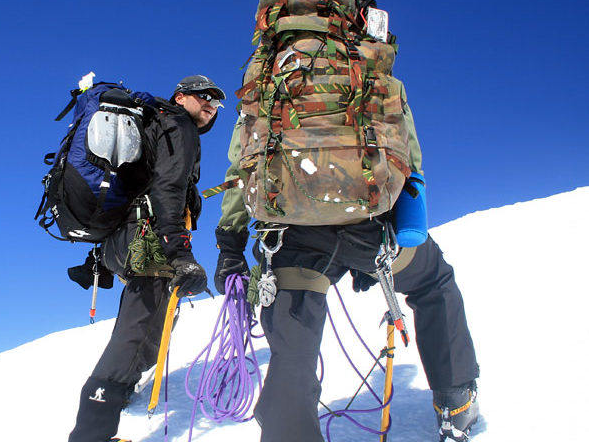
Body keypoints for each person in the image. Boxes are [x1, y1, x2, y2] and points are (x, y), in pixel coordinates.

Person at [213, 81, 481, 442]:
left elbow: (241, 168)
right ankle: (455, 402)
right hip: (371, 228)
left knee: (293, 348)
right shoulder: (374, 69)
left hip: (291, 235)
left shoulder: (263, 83)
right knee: (434, 281)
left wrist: (231, 243)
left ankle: (288, 430)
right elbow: (407, 152)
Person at [67, 75, 226, 442]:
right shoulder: (177, 123)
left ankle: (119, 398)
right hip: (150, 240)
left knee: (146, 331)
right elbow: (167, 190)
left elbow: (138, 186)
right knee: (134, 336)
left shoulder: (153, 123)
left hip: (127, 239)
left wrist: (103, 256)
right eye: (203, 97)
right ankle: (91, 434)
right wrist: (180, 252)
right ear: (181, 95)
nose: (210, 105)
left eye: (216, 102)